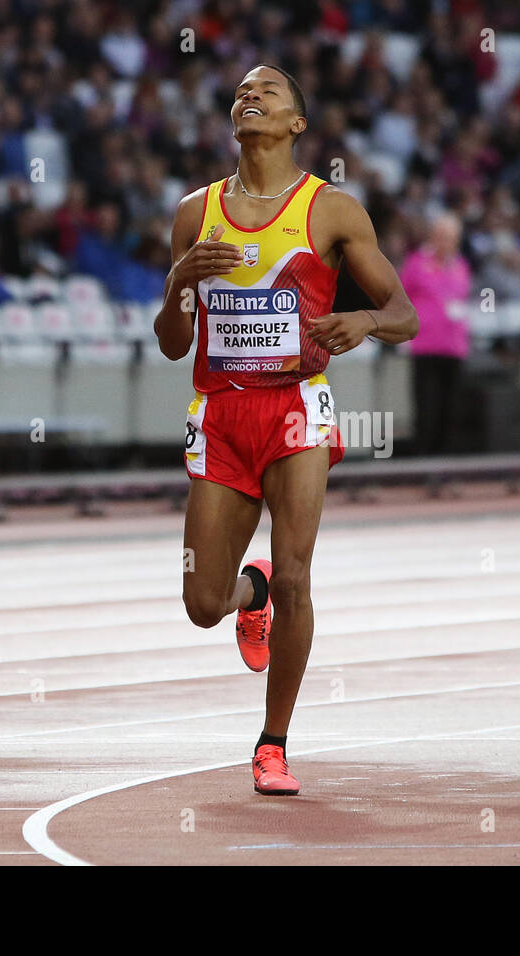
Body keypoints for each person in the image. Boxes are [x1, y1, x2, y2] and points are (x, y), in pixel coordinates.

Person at [153, 65, 417, 796]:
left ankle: (274, 744)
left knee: (299, 571)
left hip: (298, 406)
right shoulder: (194, 212)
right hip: (221, 411)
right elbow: (172, 344)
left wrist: (364, 318)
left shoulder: (329, 210)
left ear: (297, 124)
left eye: (267, 92)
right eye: (240, 91)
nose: (249, 96)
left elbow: (406, 315)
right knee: (203, 603)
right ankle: (251, 594)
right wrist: (178, 283)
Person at [401, 212, 470, 454]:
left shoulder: (460, 265)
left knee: (451, 407)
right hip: (425, 346)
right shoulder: (416, 262)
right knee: (426, 406)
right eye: (443, 236)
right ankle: (423, 459)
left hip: (454, 346)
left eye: (452, 238)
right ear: (433, 236)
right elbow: (401, 296)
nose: (447, 243)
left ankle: (448, 458)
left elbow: (463, 298)